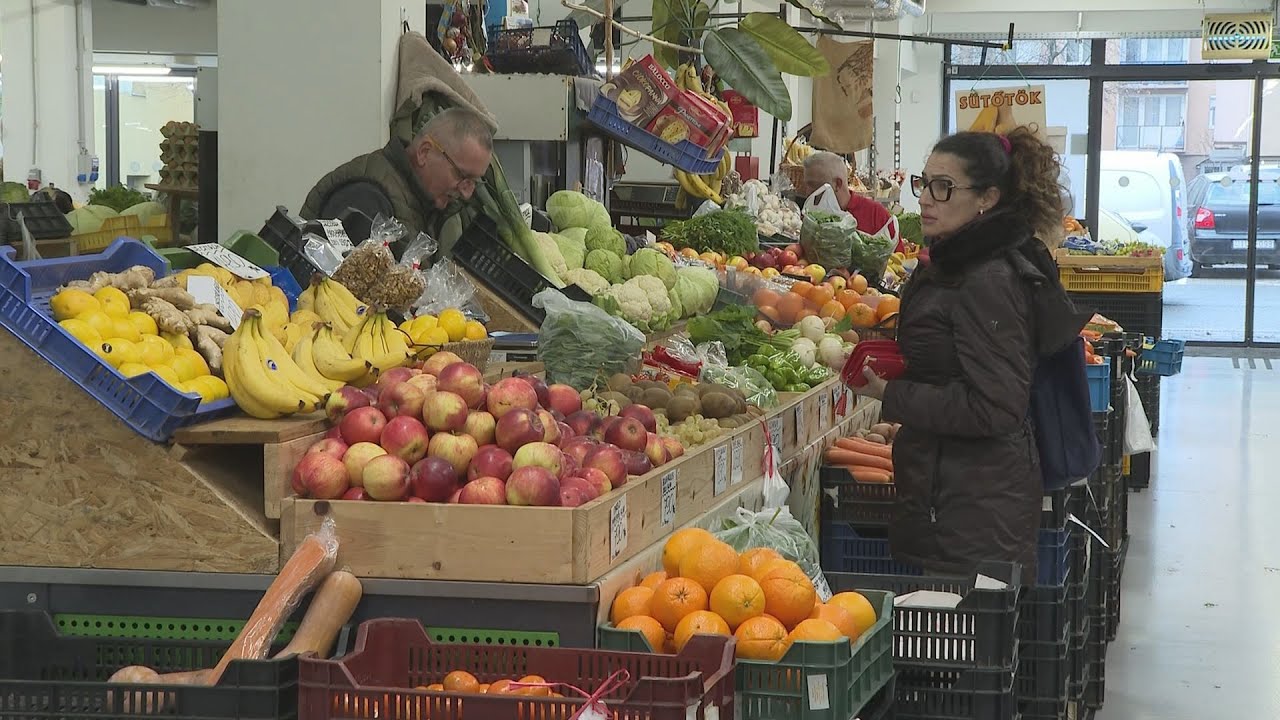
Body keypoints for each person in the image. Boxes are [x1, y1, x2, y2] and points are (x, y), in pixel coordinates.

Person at [851, 127, 1090, 582]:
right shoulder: (955, 263)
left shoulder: (987, 280)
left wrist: (891, 393)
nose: (925, 199)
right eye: (923, 184)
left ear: (987, 198)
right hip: (953, 494)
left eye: (944, 188)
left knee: (965, 643)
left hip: (976, 508)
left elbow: (996, 407)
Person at [301, 107, 495, 257]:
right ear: (424, 152)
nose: (466, 193)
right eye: (462, 176)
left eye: (472, 183)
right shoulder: (365, 198)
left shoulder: (421, 202)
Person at [801, 151, 894, 239]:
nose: (807, 192)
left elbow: (900, 255)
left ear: (838, 184)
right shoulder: (811, 218)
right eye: (807, 186)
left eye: (814, 185)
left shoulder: (875, 214)